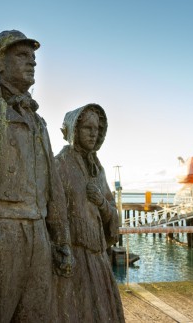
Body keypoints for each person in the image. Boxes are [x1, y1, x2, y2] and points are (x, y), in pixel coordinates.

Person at [0, 30, 73, 322]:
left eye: (33, 57)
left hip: (39, 234)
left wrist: (61, 240)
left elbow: (53, 185)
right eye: (22, 55)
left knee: (37, 314)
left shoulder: (38, 121)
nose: (32, 63)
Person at [54, 104, 125, 322]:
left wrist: (102, 202)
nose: (93, 133)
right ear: (75, 129)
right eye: (87, 128)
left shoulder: (98, 169)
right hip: (74, 255)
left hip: (98, 257)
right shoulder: (59, 165)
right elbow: (54, 213)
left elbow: (114, 215)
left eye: (97, 128)